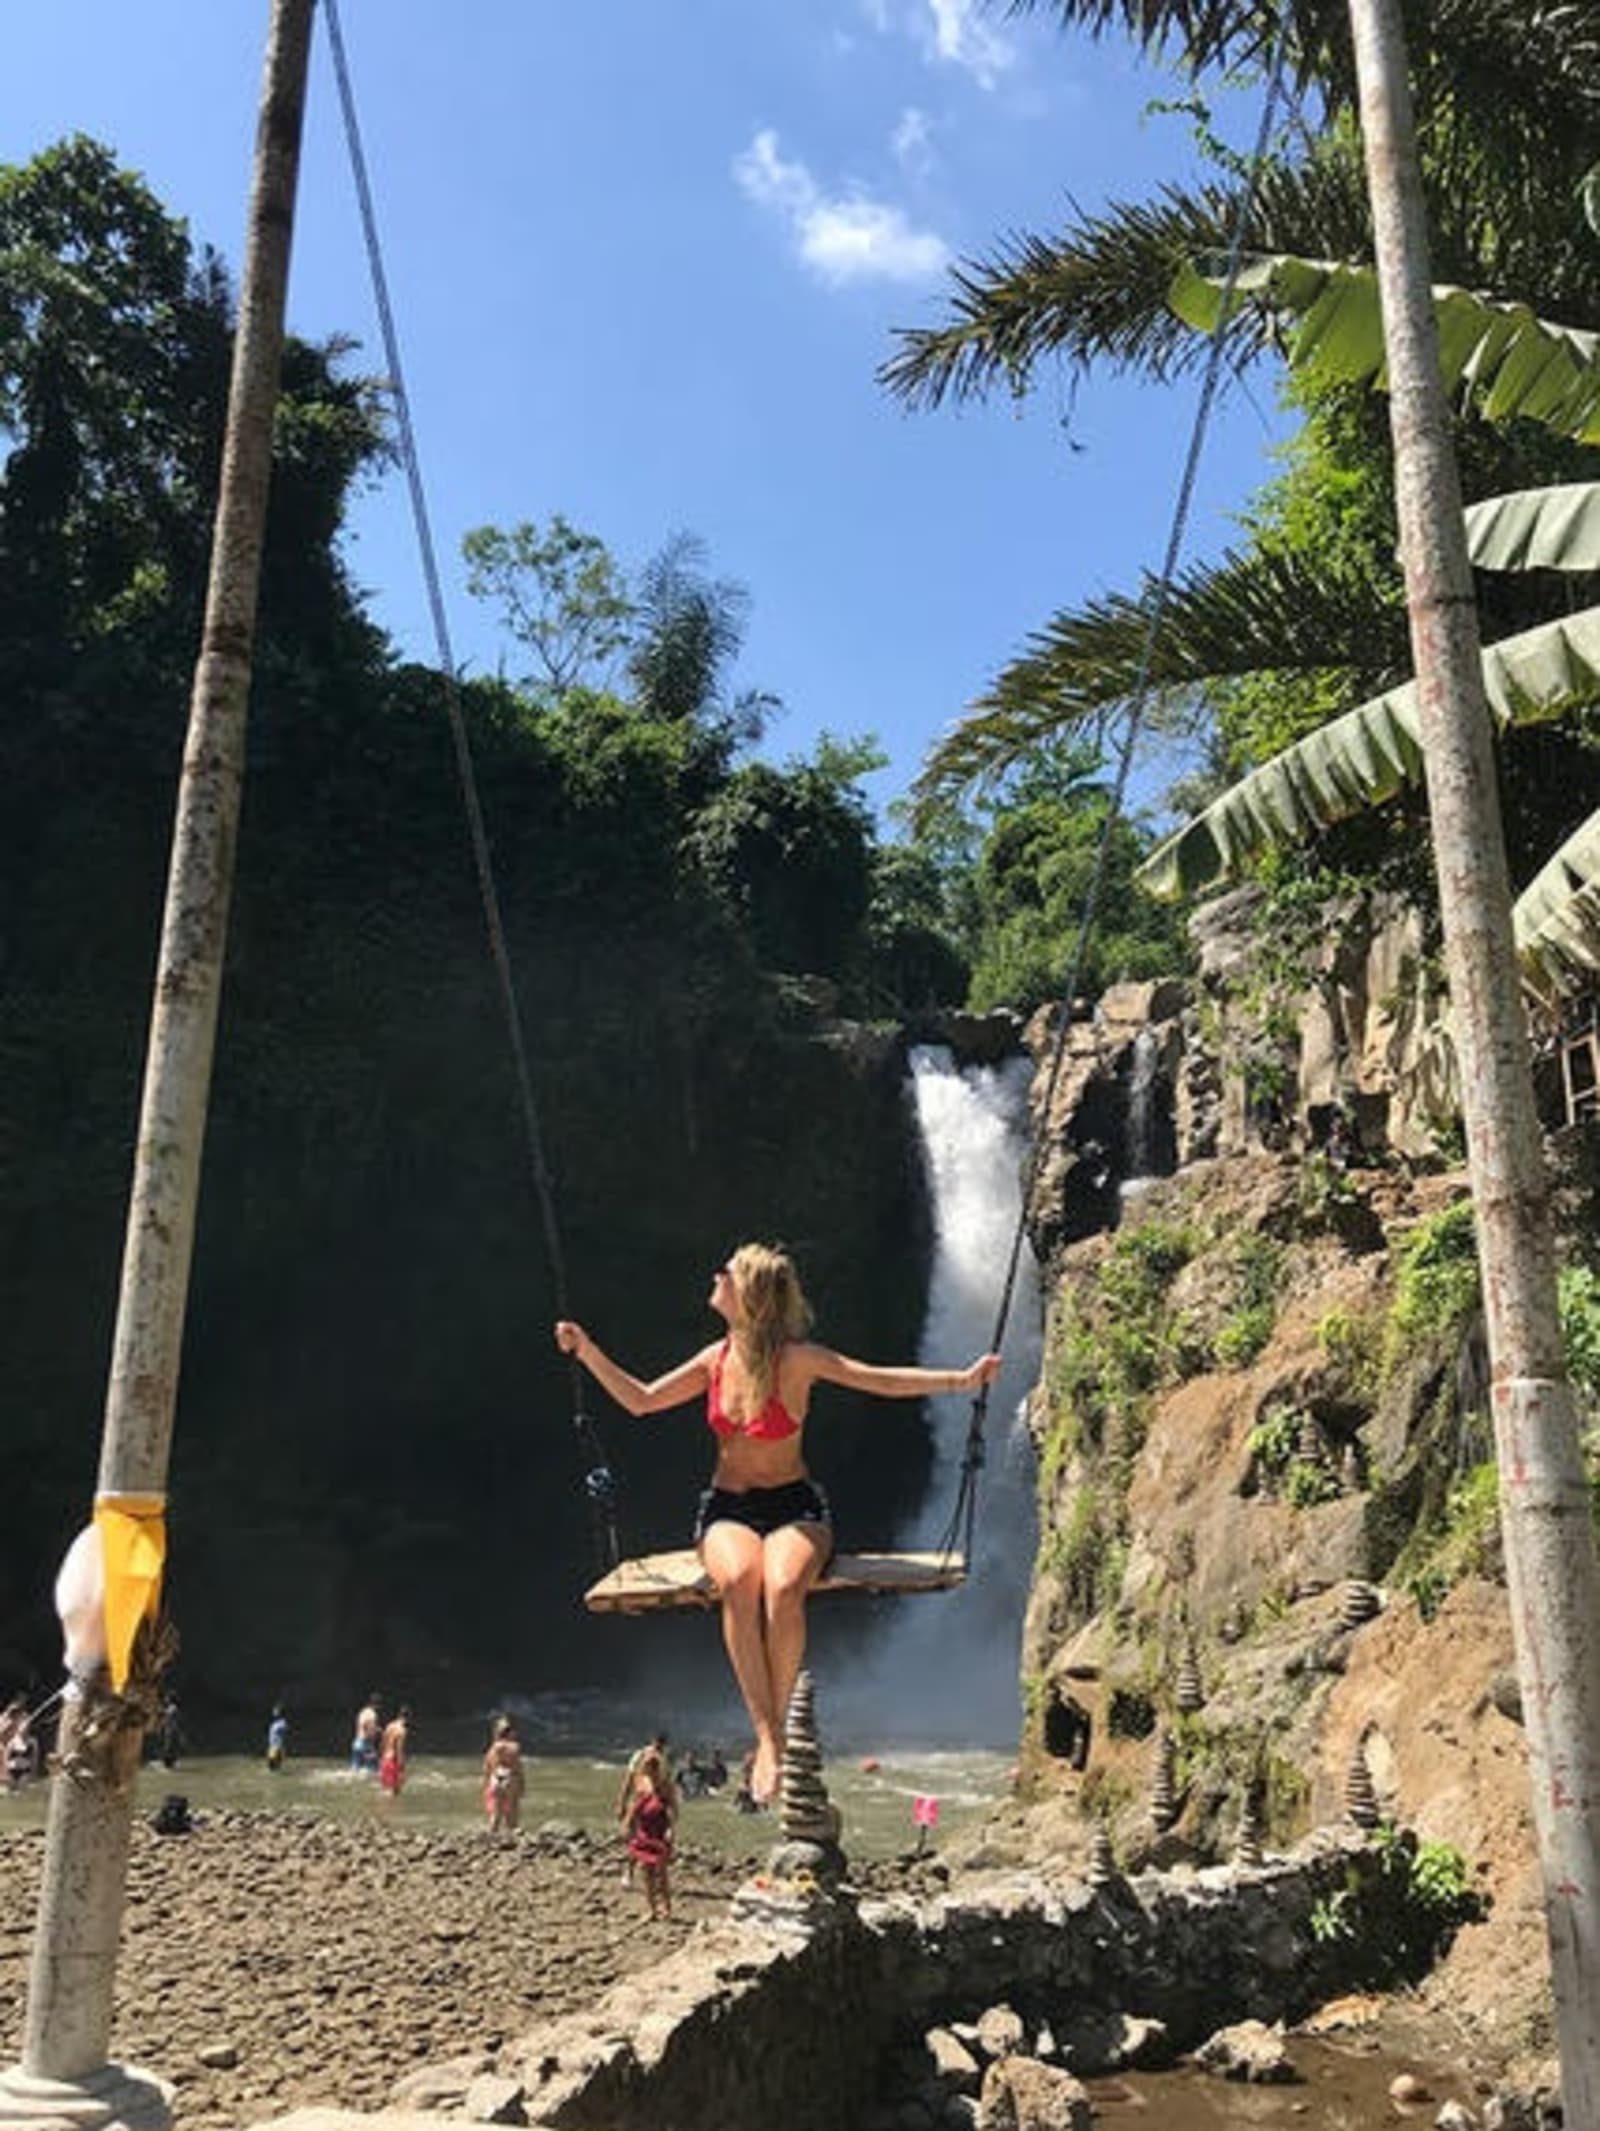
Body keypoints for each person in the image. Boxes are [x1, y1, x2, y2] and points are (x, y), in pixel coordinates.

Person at [556, 1241, 1001, 1805]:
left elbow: (877, 1379)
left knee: (784, 1586)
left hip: (796, 1506)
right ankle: (768, 1738)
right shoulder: (713, 1360)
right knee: (742, 1581)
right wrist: (587, 1350)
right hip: (727, 1508)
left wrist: (961, 1382)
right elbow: (641, 1401)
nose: (717, 1275)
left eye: (729, 1272)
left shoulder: (798, 1359)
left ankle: (778, 1731)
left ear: (750, 1295)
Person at [624, 1761, 676, 1921]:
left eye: (654, 1769)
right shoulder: (641, 1786)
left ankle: (667, 1908)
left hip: (659, 1834)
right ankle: (651, 1909)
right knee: (646, 1874)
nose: (651, 1773)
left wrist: (671, 1830)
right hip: (644, 1834)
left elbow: (672, 1810)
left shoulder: (665, 1787)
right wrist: (628, 1826)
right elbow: (634, 1808)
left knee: (662, 1874)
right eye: (648, 1769)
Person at [482, 1716, 525, 1833]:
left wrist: (486, 1786)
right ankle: (513, 1838)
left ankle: (491, 1838)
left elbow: (486, 1770)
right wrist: (522, 1785)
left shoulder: (492, 1749)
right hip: (510, 1778)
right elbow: (517, 1767)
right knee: (512, 1814)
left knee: (495, 1814)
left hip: (495, 1779)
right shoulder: (513, 1747)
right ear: (510, 1733)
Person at [378, 1706, 409, 1796]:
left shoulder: (389, 1726)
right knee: (394, 1794)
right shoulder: (402, 1731)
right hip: (393, 1762)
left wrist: (380, 1760)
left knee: (384, 1792)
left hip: (384, 1761)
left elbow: (382, 1743)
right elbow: (399, 1750)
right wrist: (401, 1770)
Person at [351, 1693, 381, 1774]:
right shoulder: (372, 1714)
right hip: (365, 1744)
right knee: (374, 1770)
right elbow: (369, 1728)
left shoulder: (362, 1712)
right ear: (376, 1704)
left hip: (356, 1743)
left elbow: (360, 1726)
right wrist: (376, 1732)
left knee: (355, 1771)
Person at [265, 1704, 289, 1771]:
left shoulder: (282, 1723)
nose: (274, 1712)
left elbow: (284, 1732)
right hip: (273, 1745)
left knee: (272, 1763)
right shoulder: (275, 1723)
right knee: (271, 1764)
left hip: (277, 1746)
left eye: (275, 1711)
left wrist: (279, 1747)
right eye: (274, 1711)